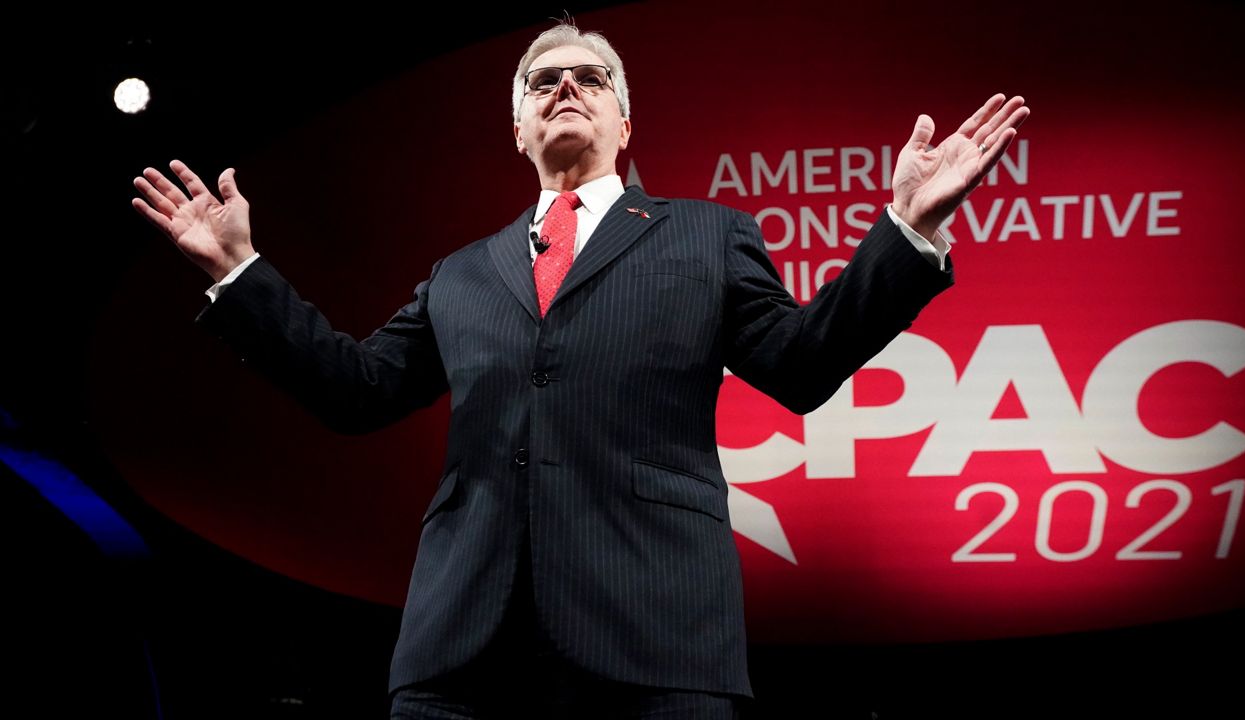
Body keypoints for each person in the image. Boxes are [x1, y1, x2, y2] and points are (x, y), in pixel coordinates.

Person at [132, 21, 1027, 720]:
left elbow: (801, 365)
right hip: (461, 662)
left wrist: (908, 231)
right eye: (542, 81)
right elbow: (356, 392)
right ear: (517, 126)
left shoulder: (707, 236)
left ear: (625, 122)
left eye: (591, 78)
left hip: (656, 648)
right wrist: (239, 274)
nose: (567, 86)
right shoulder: (461, 274)